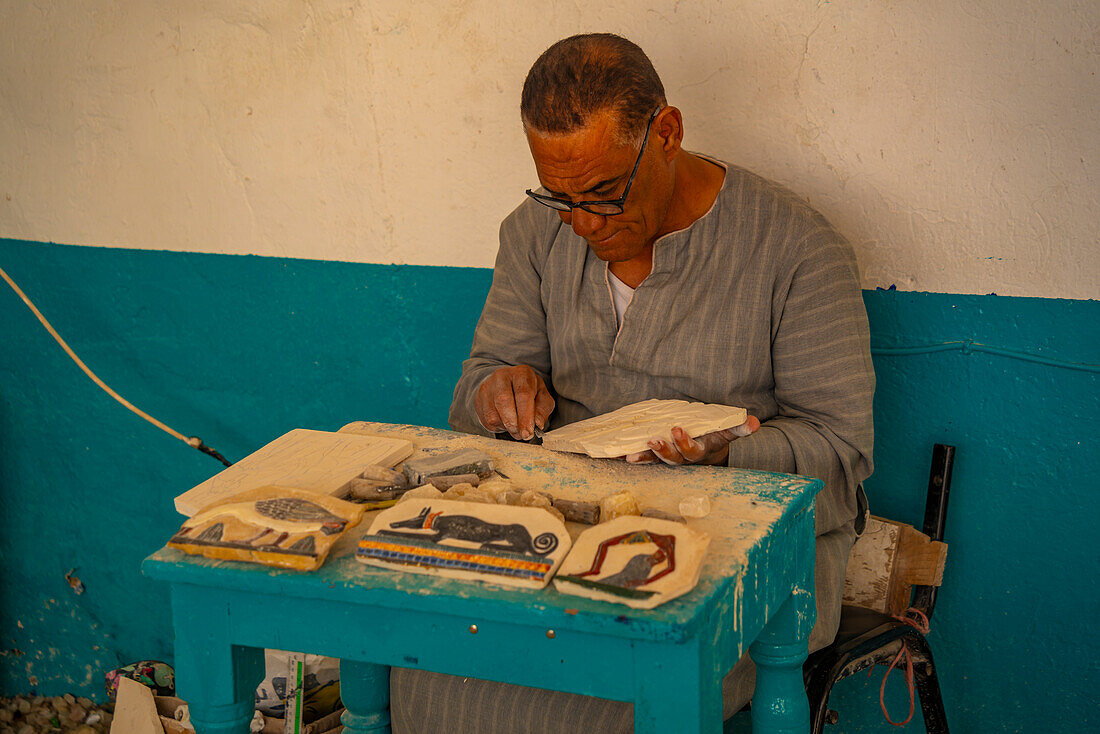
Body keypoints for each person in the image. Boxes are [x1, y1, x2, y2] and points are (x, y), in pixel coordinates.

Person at [390, 33, 874, 733]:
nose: (584, 222)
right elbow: (479, 384)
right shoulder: (534, 234)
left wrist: (727, 453)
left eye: (604, 192)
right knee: (428, 678)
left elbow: (841, 451)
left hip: (748, 559)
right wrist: (498, 392)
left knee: (607, 709)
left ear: (667, 133)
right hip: (570, 539)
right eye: (560, 196)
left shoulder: (796, 249)